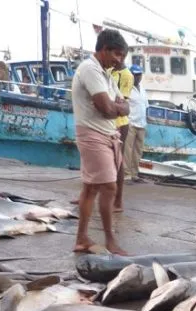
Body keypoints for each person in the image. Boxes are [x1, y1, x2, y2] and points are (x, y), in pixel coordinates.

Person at [71, 28, 130, 256]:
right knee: (109, 187)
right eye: (117, 55)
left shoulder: (106, 74)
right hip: (93, 134)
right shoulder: (90, 69)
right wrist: (114, 107)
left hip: (107, 135)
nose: (119, 61)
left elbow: (124, 106)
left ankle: (82, 238)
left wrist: (114, 106)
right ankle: (110, 240)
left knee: (90, 188)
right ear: (104, 49)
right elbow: (107, 108)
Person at [111, 59, 133, 211]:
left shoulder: (127, 75)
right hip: (108, 121)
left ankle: (118, 201)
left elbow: (123, 103)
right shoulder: (109, 71)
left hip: (119, 122)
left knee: (118, 160)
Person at [123, 64, 148, 183]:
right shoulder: (127, 88)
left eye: (139, 75)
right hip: (131, 123)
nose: (137, 77)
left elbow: (145, 105)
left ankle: (134, 174)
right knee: (127, 151)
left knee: (138, 151)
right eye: (135, 75)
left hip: (142, 124)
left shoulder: (142, 88)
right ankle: (126, 175)